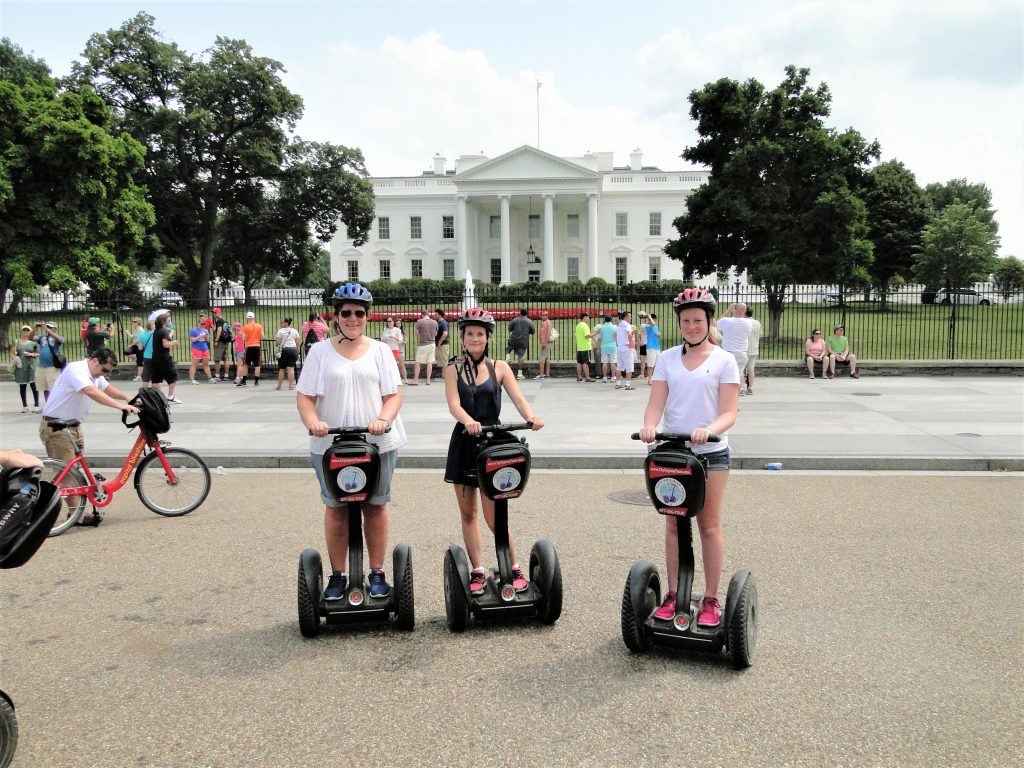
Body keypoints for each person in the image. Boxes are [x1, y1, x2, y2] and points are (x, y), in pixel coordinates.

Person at [297, 283, 406, 601]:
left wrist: (384, 419)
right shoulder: (319, 352)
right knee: (336, 509)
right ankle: (337, 575)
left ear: (367, 317)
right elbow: (304, 397)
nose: (353, 318)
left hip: (378, 443)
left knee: (375, 506)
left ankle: (376, 571)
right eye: (346, 312)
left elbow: (394, 394)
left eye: (359, 313)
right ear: (335, 316)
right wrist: (313, 422)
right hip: (330, 444)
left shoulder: (381, 350)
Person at [639, 288, 739, 628]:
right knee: (673, 522)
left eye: (698, 320)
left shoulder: (724, 360)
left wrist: (708, 429)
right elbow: (656, 402)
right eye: (686, 321)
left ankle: (710, 599)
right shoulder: (667, 358)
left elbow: (729, 412)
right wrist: (650, 426)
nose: (692, 326)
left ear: (709, 320)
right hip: (673, 452)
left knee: (707, 524)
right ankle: (673, 593)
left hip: (710, 453)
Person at [443, 308, 544, 595]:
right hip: (465, 441)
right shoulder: (452, 369)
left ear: (488, 337)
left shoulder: (500, 367)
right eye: (469, 334)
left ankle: (512, 566)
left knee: (495, 515)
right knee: (469, 513)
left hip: (493, 445)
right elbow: (453, 404)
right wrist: (468, 421)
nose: (475, 338)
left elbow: (519, 398)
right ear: (462, 337)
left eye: (480, 334)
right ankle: (477, 570)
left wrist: (532, 417)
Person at [40, 349, 140, 524]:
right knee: (68, 474)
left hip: (73, 426)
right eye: (105, 370)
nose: (106, 374)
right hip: (57, 427)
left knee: (73, 471)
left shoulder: (94, 374)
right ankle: (71, 514)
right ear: (94, 361)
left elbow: (106, 388)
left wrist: (127, 398)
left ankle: (74, 513)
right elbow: (91, 392)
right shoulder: (76, 370)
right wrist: (121, 407)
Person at [151, 313, 182, 403]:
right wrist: (174, 343)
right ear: (163, 322)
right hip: (164, 358)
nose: (170, 322)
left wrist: (170, 334)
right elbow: (166, 344)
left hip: (155, 357)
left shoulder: (157, 331)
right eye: (168, 320)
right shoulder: (164, 331)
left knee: (157, 377)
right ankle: (171, 396)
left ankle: (157, 396)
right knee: (172, 376)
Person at [716, 302, 752, 376]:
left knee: (726, 376)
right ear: (745, 311)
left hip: (728, 352)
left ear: (734, 310)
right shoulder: (749, 323)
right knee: (738, 376)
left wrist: (728, 310)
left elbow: (717, 324)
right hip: (742, 353)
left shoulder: (727, 321)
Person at [11, 325, 40, 413]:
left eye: (27, 330)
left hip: (31, 364)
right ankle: (24, 405)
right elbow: (12, 353)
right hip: (21, 365)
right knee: (22, 386)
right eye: (24, 330)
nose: (25, 332)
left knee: (33, 385)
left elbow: (38, 354)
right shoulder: (16, 342)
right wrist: (15, 359)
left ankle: (36, 405)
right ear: (21, 331)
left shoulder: (33, 343)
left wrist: (31, 354)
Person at [34, 321, 64, 401]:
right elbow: (30, 338)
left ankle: (55, 404)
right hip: (42, 366)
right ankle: (48, 405)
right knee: (45, 388)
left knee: (53, 388)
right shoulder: (42, 337)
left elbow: (60, 340)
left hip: (52, 366)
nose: (48, 328)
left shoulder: (58, 337)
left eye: (50, 327)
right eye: (47, 327)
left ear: (55, 329)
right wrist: (35, 328)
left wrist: (48, 330)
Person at [505, 308, 534, 380]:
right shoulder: (529, 321)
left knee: (508, 347)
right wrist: (527, 331)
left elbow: (509, 329)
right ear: (527, 313)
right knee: (521, 357)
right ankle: (520, 374)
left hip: (514, 338)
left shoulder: (515, 320)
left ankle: (508, 358)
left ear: (520, 313)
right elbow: (533, 331)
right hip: (523, 341)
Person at [411, 309, 437, 385]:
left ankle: (416, 380)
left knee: (418, 362)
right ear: (428, 314)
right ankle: (428, 380)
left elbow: (416, 333)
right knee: (430, 362)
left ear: (422, 315)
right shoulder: (434, 322)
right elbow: (435, 334)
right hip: (432, 343)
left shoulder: (419, 322)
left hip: (422, 344)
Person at [380, 316, 409, 384]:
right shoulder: (385, 329)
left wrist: (394, 337)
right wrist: (384, 339)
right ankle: (390, 380)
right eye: (387, 321)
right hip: (387, 349)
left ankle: (404, 379)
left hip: (395, 349)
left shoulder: (397, 330)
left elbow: (400, 340)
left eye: (390, 321)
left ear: (393, 322)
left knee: (399, 365)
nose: (388, 323)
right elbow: (382, 339)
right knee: (388, 366)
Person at [239, 311, 264, 386]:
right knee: (257, 364)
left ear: (247, 318)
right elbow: (262, 337)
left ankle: (244, 381)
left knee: (246, 364)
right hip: (257, 346)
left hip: (249, 346)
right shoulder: (259, 326)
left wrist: (242, 335)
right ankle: (256, 381)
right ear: (254, 317)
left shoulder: (245, 327)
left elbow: (243, 338)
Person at [275, 316, 300, 390]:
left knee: (282, 369)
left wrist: (278, 343)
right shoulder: (294, 331)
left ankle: (279, 386)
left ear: (286, 323)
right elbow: (298, 342)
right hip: (293, 350)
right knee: (291, 368)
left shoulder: (280, 331)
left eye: (282, 322)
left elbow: (278, 342)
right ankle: (291, 386)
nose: (281, 323)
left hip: (284, 350)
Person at [188, 314, 214, 384]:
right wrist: (199, 337)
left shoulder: (206, 330)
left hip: (205, 348)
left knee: (206, 364)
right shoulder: (194, 330)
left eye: (204, 324)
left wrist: (206, 337)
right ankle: (192, 379)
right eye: (202, 324)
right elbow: (192, 340)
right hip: (197, 348)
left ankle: (210, 378)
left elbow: (208, 341)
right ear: (198, 323)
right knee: (195, 364)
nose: (203, 325)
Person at [743, 307, 762, 395]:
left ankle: (741, 388)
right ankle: (750, 388)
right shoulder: (757, 323)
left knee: (741, 369)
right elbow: (760, 334)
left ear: (744, 313)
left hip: (744, 349)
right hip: (754, 348)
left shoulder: (744, 322)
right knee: (751, 369)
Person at [615, 310, 635, 390]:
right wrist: (631, 343)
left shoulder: (619, 325)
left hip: (619, 348)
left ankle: (618, 383)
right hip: (626, 348)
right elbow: (629, 334)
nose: (631, 318)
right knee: (629, 366)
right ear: (626, 317)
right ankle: (627, 384)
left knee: (619, 367)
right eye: (630, 317)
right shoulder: (627, 325)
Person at [211, 307, 232, 381]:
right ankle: (226, 376)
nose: (214, 314)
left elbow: (219, 330)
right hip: (225, 342)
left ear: (219, 313)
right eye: (214, 312)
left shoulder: (219, 321)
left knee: (217, 360)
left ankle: (217, 376)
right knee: (225, 359)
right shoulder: (224, 321)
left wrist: (216, 341)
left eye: (215, 313)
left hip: (220, 342)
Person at [574, 312, 595, 382]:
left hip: (579, 347)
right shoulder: (585, 326)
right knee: (585, 363)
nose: (589, 319)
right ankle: (587, 377)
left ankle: (579, 377)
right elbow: (587, 336)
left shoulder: (578, 325)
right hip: (586, 347)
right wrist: (596, 333)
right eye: (588, 317)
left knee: (579, 363)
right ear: (585, 317)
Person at [597, 314, 617, 383]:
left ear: (604, 319)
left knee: (604, 362)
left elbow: (599, 339)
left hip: (604, 347)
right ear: (611, 319)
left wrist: (598, 348)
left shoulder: (601, 328)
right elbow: (617, 337)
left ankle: (605, 377)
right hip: (613, 347)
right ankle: (613, 376)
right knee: (613, 362)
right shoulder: (615, 327)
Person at [124, 317, 145, 381]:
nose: (133, 323)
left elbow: (139, 340)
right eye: (132, 322)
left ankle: (139, 377)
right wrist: (128, 333)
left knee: (140, 362)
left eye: (135, 322)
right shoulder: (135, 329)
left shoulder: (141, 330)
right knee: (126, 352)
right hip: (135, 346)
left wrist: (131, 345)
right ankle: (135, 358)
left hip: (140, 346)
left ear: (138, 323)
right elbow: (133, 337)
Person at [644, 313, 661, 386]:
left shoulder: (655, 326)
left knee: (657, 364)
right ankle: (649, 378)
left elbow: (658, 334)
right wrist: (649, 317)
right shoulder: (647, 326)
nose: (654, 321)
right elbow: (657, 332)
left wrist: (658, 333)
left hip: (657, 347)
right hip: (651, 347)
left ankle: (654, 378)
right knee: (650, 365)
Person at [536, 310, 553, 379]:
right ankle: (547, 374)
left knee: (541, 358)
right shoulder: (543, 322)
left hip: (546, 342)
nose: (542, 316)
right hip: (544, 342)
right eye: (542, 315)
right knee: (546, 358)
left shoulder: (548, 322)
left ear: (547, 316)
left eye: (544, 315)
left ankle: (541, 375)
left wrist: (545, 343)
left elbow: (548, 333)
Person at [434, 309, 449, 378]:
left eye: (436, 314)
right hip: (439, 344)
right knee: (441, 360)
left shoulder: (443, 323)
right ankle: (443, 375)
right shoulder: (438, 322)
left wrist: (440, 341)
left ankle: (444, 376)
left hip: (443, 344)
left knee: (444, 361)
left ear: (440, 315)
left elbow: (445, 333)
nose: (435, 315)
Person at [636, 311, 649, 379]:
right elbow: (638, 336)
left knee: (650, 361)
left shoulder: (650, 326)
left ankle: (649, 374)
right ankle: (642, 374)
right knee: (642, 361)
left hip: (648, 344)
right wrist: (640, 342)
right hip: (643, 344)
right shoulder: (643, 326)